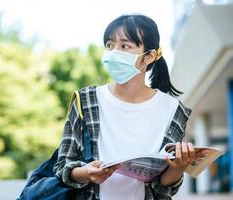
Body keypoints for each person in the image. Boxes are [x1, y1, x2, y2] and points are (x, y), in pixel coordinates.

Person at [54, 14, 204, 200]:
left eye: (125, 46)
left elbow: (164, 188)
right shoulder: (85, 100)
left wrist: (179, 167)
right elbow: (63, 167)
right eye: (110, 45)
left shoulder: (173, 110)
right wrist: (85, 173)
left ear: (149, 56)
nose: (113, 52)